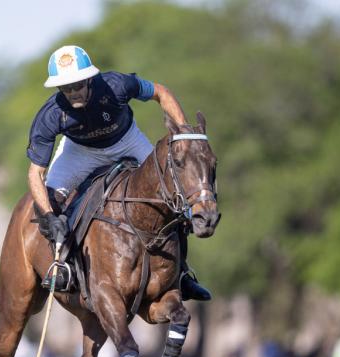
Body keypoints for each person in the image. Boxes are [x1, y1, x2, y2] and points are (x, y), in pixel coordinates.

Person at [26, 45, 211, 301]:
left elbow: (161, 93)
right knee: (48, 202)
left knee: (173, 191)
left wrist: (183, 134)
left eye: (78, 85)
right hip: (79, 151)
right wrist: (49, 216)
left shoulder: (117, 85)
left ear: (90, 79)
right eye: (65, 88)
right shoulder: (51, 115)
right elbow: (35, 173)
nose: (73, 92)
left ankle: (182, 273)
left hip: (126, 140)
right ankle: (63, 266)